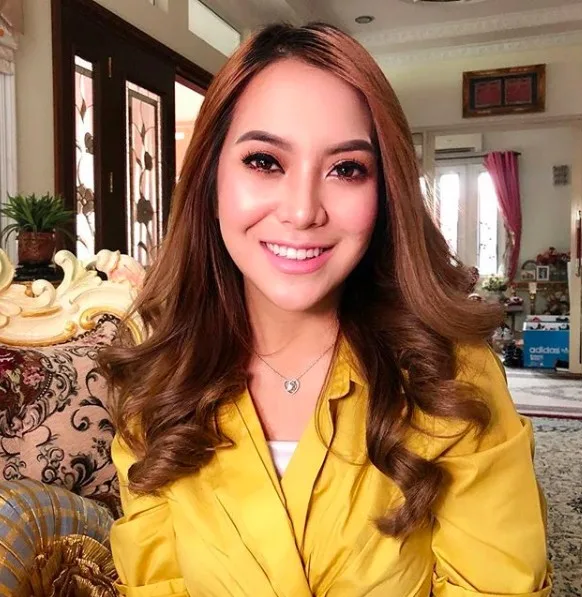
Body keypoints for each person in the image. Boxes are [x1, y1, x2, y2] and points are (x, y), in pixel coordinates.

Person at [101, 22, 552, 597]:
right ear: (210, 181)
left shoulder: (454, 379)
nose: (302, 211)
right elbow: (155, 582)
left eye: (346, 169)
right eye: (264, 161)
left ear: (383, 196)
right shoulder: (160, 379)